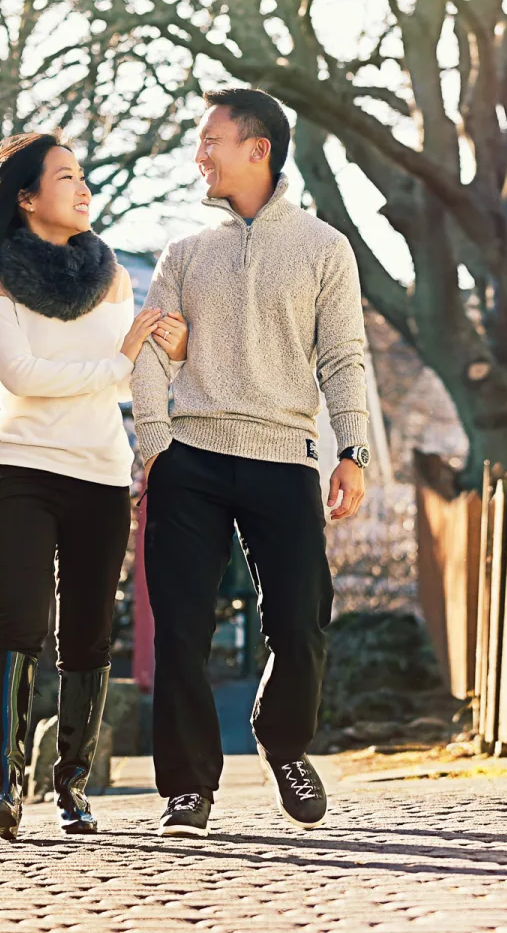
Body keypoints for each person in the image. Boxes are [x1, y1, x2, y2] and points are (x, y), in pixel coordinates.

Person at [132, 89, 371, 837]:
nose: (199, 156)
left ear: (257, 149)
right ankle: (187, 789)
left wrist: (353, 450)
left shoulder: (324, 248)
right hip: (190, 459)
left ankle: (283, 741)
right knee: (180, 628)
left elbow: (343, 357)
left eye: (211, 142)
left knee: (301, 621)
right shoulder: (184, 254)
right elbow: (148, 350)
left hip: (283, 457)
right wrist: (154, 443)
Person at [0, 132, 187, 840]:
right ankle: (6, 783)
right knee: (17, 623)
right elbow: (22, 377)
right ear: (25, 196)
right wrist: (118, 362)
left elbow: (146, 367)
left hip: (102, 474)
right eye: (65, 178)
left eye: (83, 176)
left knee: (87, 635)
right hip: (23, 469)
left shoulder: (111, 276)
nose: (83, 190)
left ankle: (74, 786)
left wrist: (161, 356)